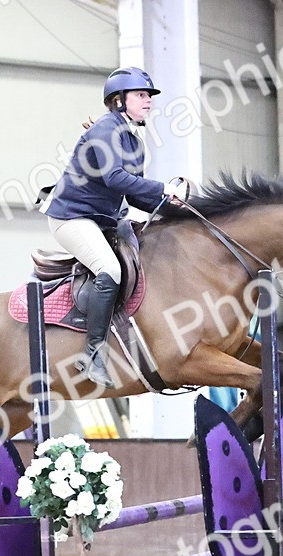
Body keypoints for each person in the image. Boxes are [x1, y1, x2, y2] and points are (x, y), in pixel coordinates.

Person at [42, 66, 183, 387]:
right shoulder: (106, 130)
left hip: (104, 219)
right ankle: (92, 356)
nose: (148, 101)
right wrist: (163, 189)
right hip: (72, 217)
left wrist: (178, 210)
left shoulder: (134, 142)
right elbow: (115, 179)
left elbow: (134, 193)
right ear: (119, 100)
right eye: (141, 95)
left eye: (149, 96)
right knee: (110, 271)